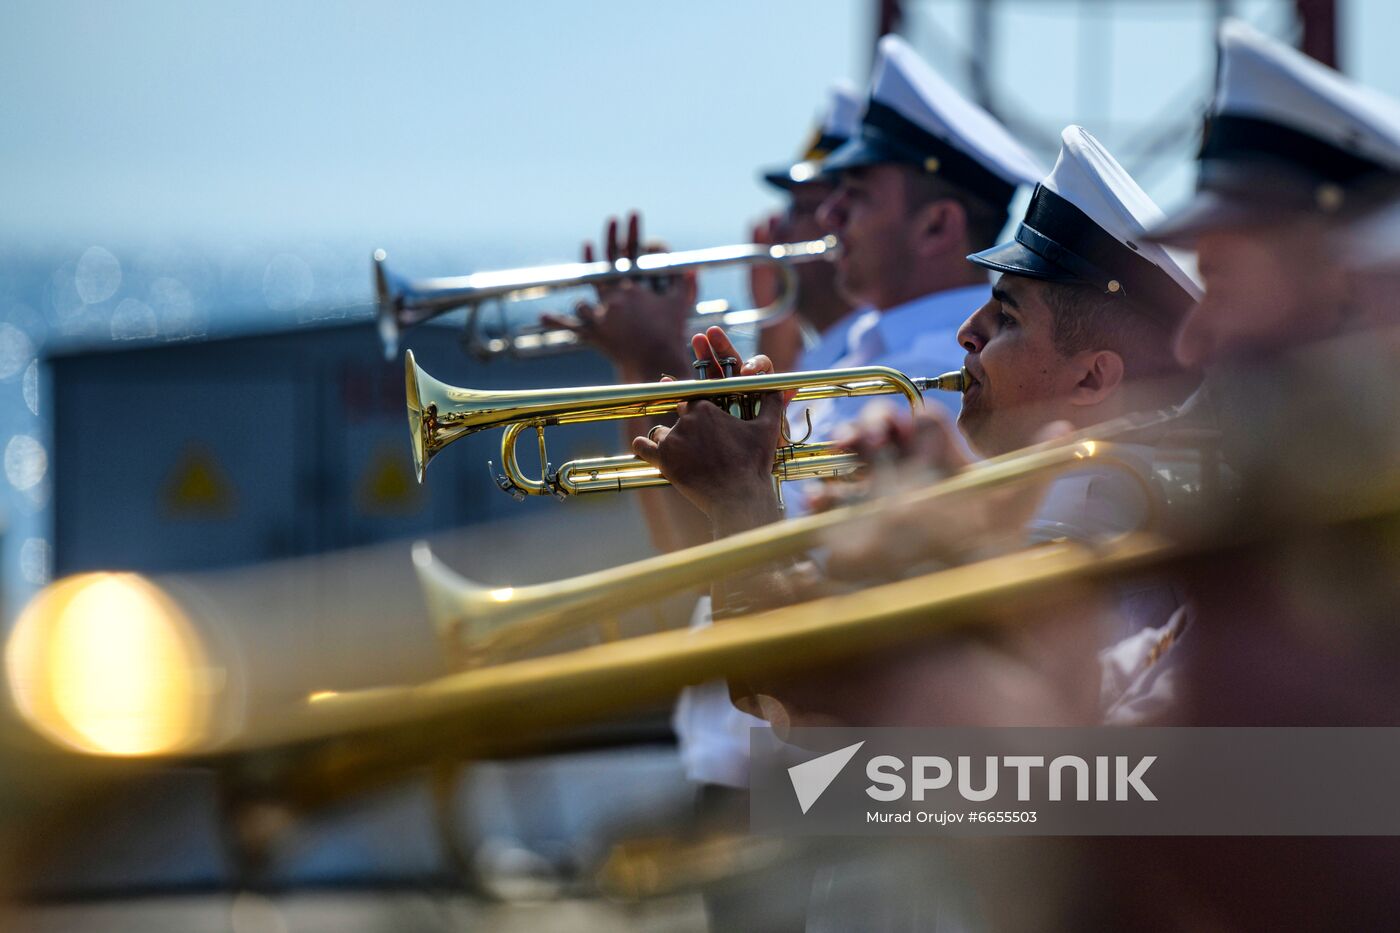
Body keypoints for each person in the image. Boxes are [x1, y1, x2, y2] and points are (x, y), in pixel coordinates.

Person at [753, 82, 862, 374]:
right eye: (790, 209)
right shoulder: (822, 360)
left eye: (802, 209)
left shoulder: (872, 361)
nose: (777, 232)